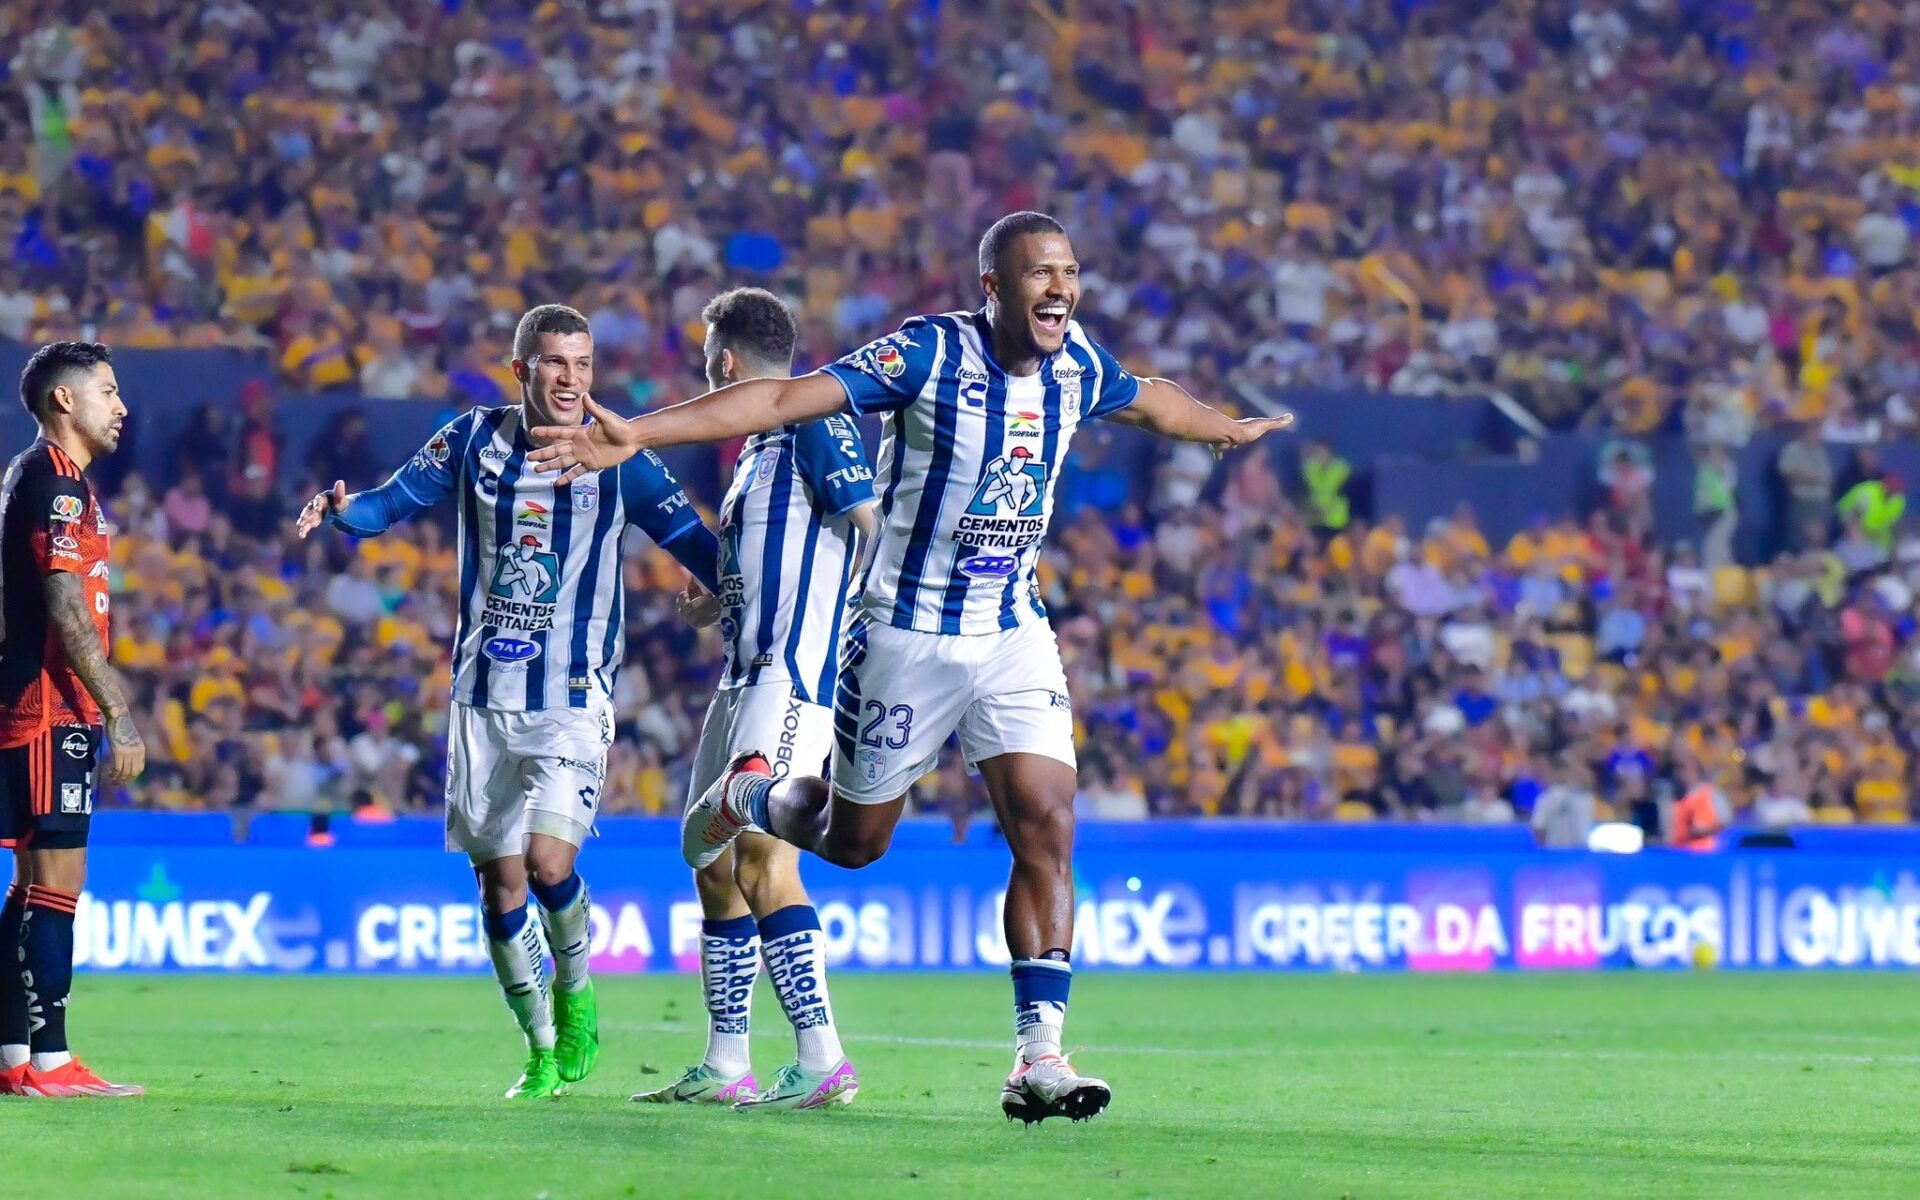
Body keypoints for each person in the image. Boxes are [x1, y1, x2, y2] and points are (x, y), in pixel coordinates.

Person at [527, 212, 1293, 1124]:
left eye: (1069, 272)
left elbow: (1152, 398)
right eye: (1040, 274)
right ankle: (755, 798)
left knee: (1047, 822)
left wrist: (1221, 428)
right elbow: (781, 400)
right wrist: (640, 435)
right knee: (854, 843)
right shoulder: (927, 355)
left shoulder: (1078, 364)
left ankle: (1040, 1056)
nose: (1060, 288)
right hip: (903, 634)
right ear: (994, 287)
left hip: (1012, 628)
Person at [296, 305, 721, 1100]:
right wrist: (343, 512)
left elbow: (699, 546)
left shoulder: (619, 456)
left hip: (572, 696)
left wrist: (728, 588)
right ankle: (539, 1047)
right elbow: (390, 503)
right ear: (521, 369)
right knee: (500, 887)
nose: (571, 378)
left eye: (583, 363)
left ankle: (578, 989)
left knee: (549, 862)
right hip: (481, 699)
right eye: (555, 362)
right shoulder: (471, 440)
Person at [633, 288, 878, 1111]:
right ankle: (726, 1061)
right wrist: (718, 600)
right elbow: (777, 559)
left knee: (764, 859)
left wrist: (858, 627)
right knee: (710, 861)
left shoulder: (813, 417)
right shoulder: (757, 454)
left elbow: (870, 527)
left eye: (709, 362)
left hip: (793, 678)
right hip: (741, 677)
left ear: (726, 361)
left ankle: (822, 1058)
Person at [0, 341, 146, 1098]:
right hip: (49, 708)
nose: (121, 407)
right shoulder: (54, 479)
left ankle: (14, 1057)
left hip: (38, 702)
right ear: (66, 400)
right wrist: (117, 712)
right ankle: (52, 1063)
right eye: (108, 391)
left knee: (31, 883)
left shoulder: (38, 475)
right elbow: (63, 600)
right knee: (57, 880)